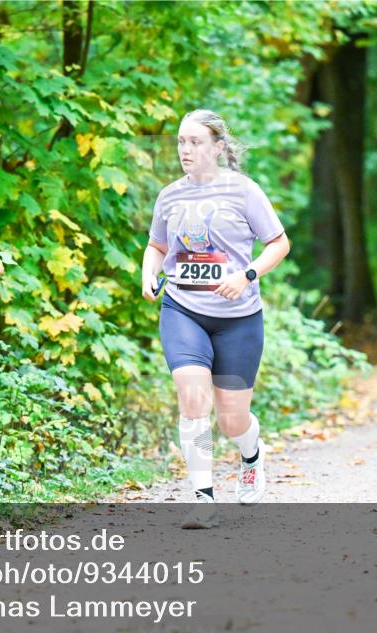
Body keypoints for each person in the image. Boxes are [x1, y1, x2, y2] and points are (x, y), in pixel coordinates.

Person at [141, 109, 291, 529]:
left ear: (218, 147)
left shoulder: (243, 191)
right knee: (192, 399)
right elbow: (156, 246)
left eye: (195, 142)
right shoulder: (170, 195)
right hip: (183, 310)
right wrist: (148, 274)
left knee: (231, 419)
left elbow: (279, 244)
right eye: (181, 142)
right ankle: (204, 500)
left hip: (238, 319)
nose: (185, 150)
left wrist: (246, 276)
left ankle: (251, 455)